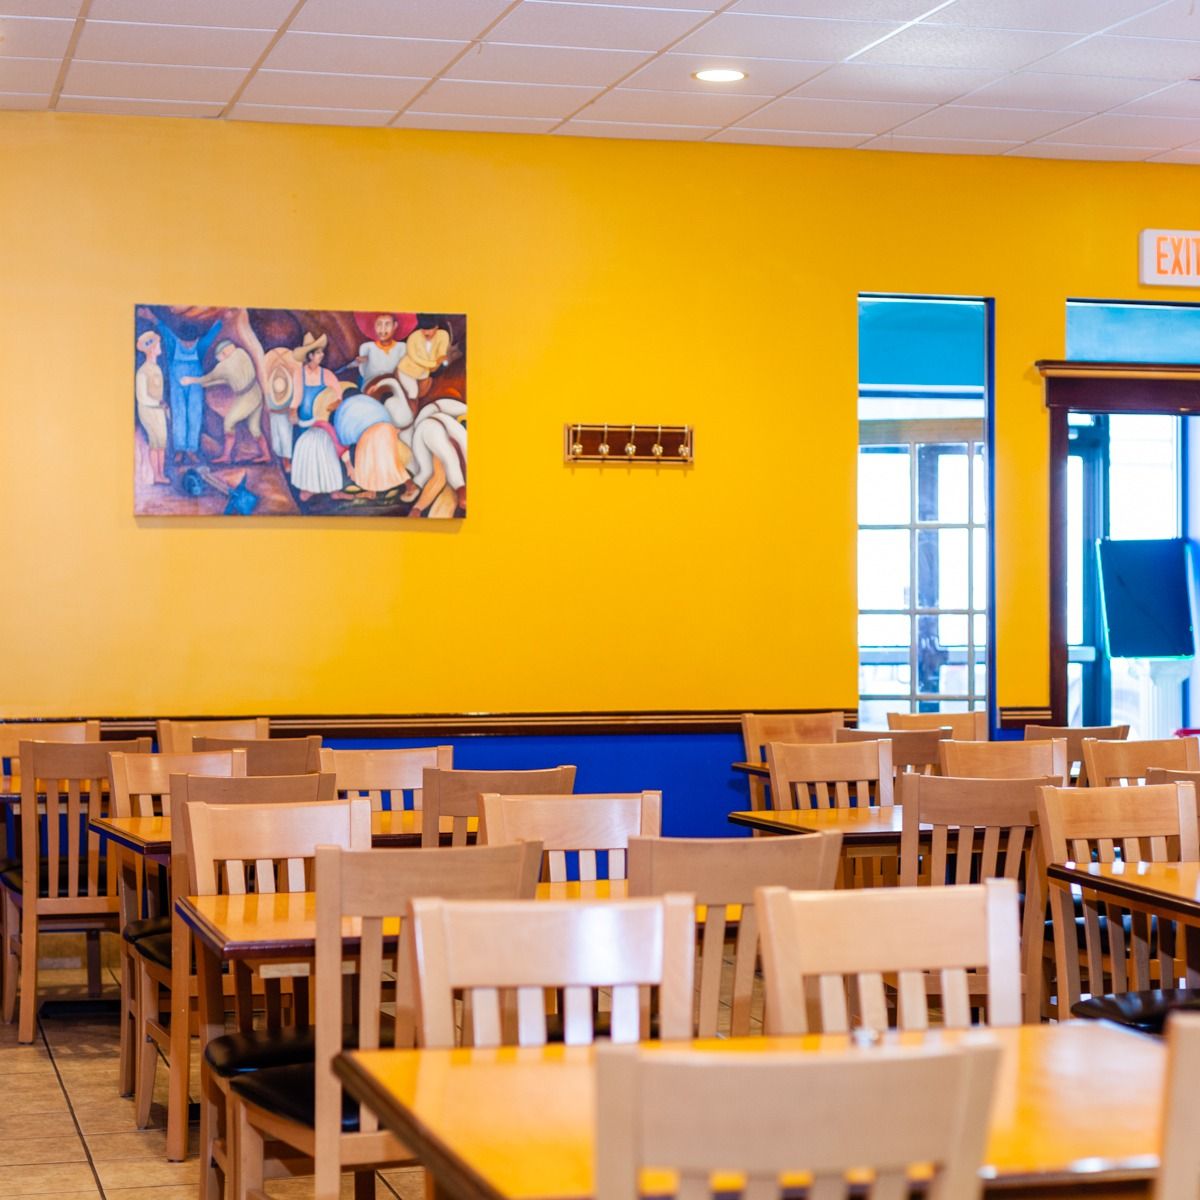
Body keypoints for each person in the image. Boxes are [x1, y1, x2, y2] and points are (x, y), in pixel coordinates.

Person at [137, 308, 223, 463]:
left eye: (191, 343)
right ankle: (180, 449)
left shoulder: (199, 344)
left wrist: (222, 319)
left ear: (196, 339)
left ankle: (191, 450)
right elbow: (161, 326)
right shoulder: (173, 341)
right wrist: (148, 315)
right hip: (177, 386)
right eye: (186, 342)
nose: (188, 345)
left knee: (194, 414)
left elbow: (213, 332)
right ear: (181, 338)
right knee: (179, 413)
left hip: (195, 386)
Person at [181, 339, 269, 464]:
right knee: (254, 428)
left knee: (229, 422)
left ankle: (226, 456)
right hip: (256, 392)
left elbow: (209, 377)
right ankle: (266, 455)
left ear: (224, 353)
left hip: (246, 397)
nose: (219, 360)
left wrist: (191, 380)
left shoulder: (224, 365)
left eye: (219, 358)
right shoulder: (241, 353)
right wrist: (205, 385)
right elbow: (226, 379)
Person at [288, 332, 351, 502]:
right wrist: (293, 411)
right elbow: (297, 397)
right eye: (318, 352)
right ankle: (309, 488)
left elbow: (339, 396)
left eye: (322, 352)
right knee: (306, 453)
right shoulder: (299, 374)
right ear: (309, 355)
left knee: (324, 452)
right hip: (305, 422)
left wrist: (334, 405)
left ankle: (332, 489)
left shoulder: (327, 375)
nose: (321, 355)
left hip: (323, 421)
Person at [134, 330, 170, 484]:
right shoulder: (142, 372)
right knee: (155, 442)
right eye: (157, 345)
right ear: (151, 349)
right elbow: (142, 397)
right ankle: (156, 475)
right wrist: (159, 404)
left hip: (158, 410)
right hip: (149, 411)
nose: (159, 346)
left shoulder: (157, 368)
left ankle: (160, 474)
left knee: (161, 443)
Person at [394, 313, 450, 401]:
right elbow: (415, 358)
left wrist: (441, 359)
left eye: (429, 329)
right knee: (413, 393)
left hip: (424, 374)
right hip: (407, 370)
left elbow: (441, 353)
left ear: (436, 327)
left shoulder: (443, 335)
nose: (425, 333)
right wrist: (434, 363)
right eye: (423, 329)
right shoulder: (413, 337)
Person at [354, 312, 405, 387]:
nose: (382, 329)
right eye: (379, 324)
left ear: (395, 325)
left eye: (387, 324)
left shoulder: (402, 347)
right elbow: (364, 373)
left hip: (396, 386)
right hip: (371, 386)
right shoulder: (367, 347)